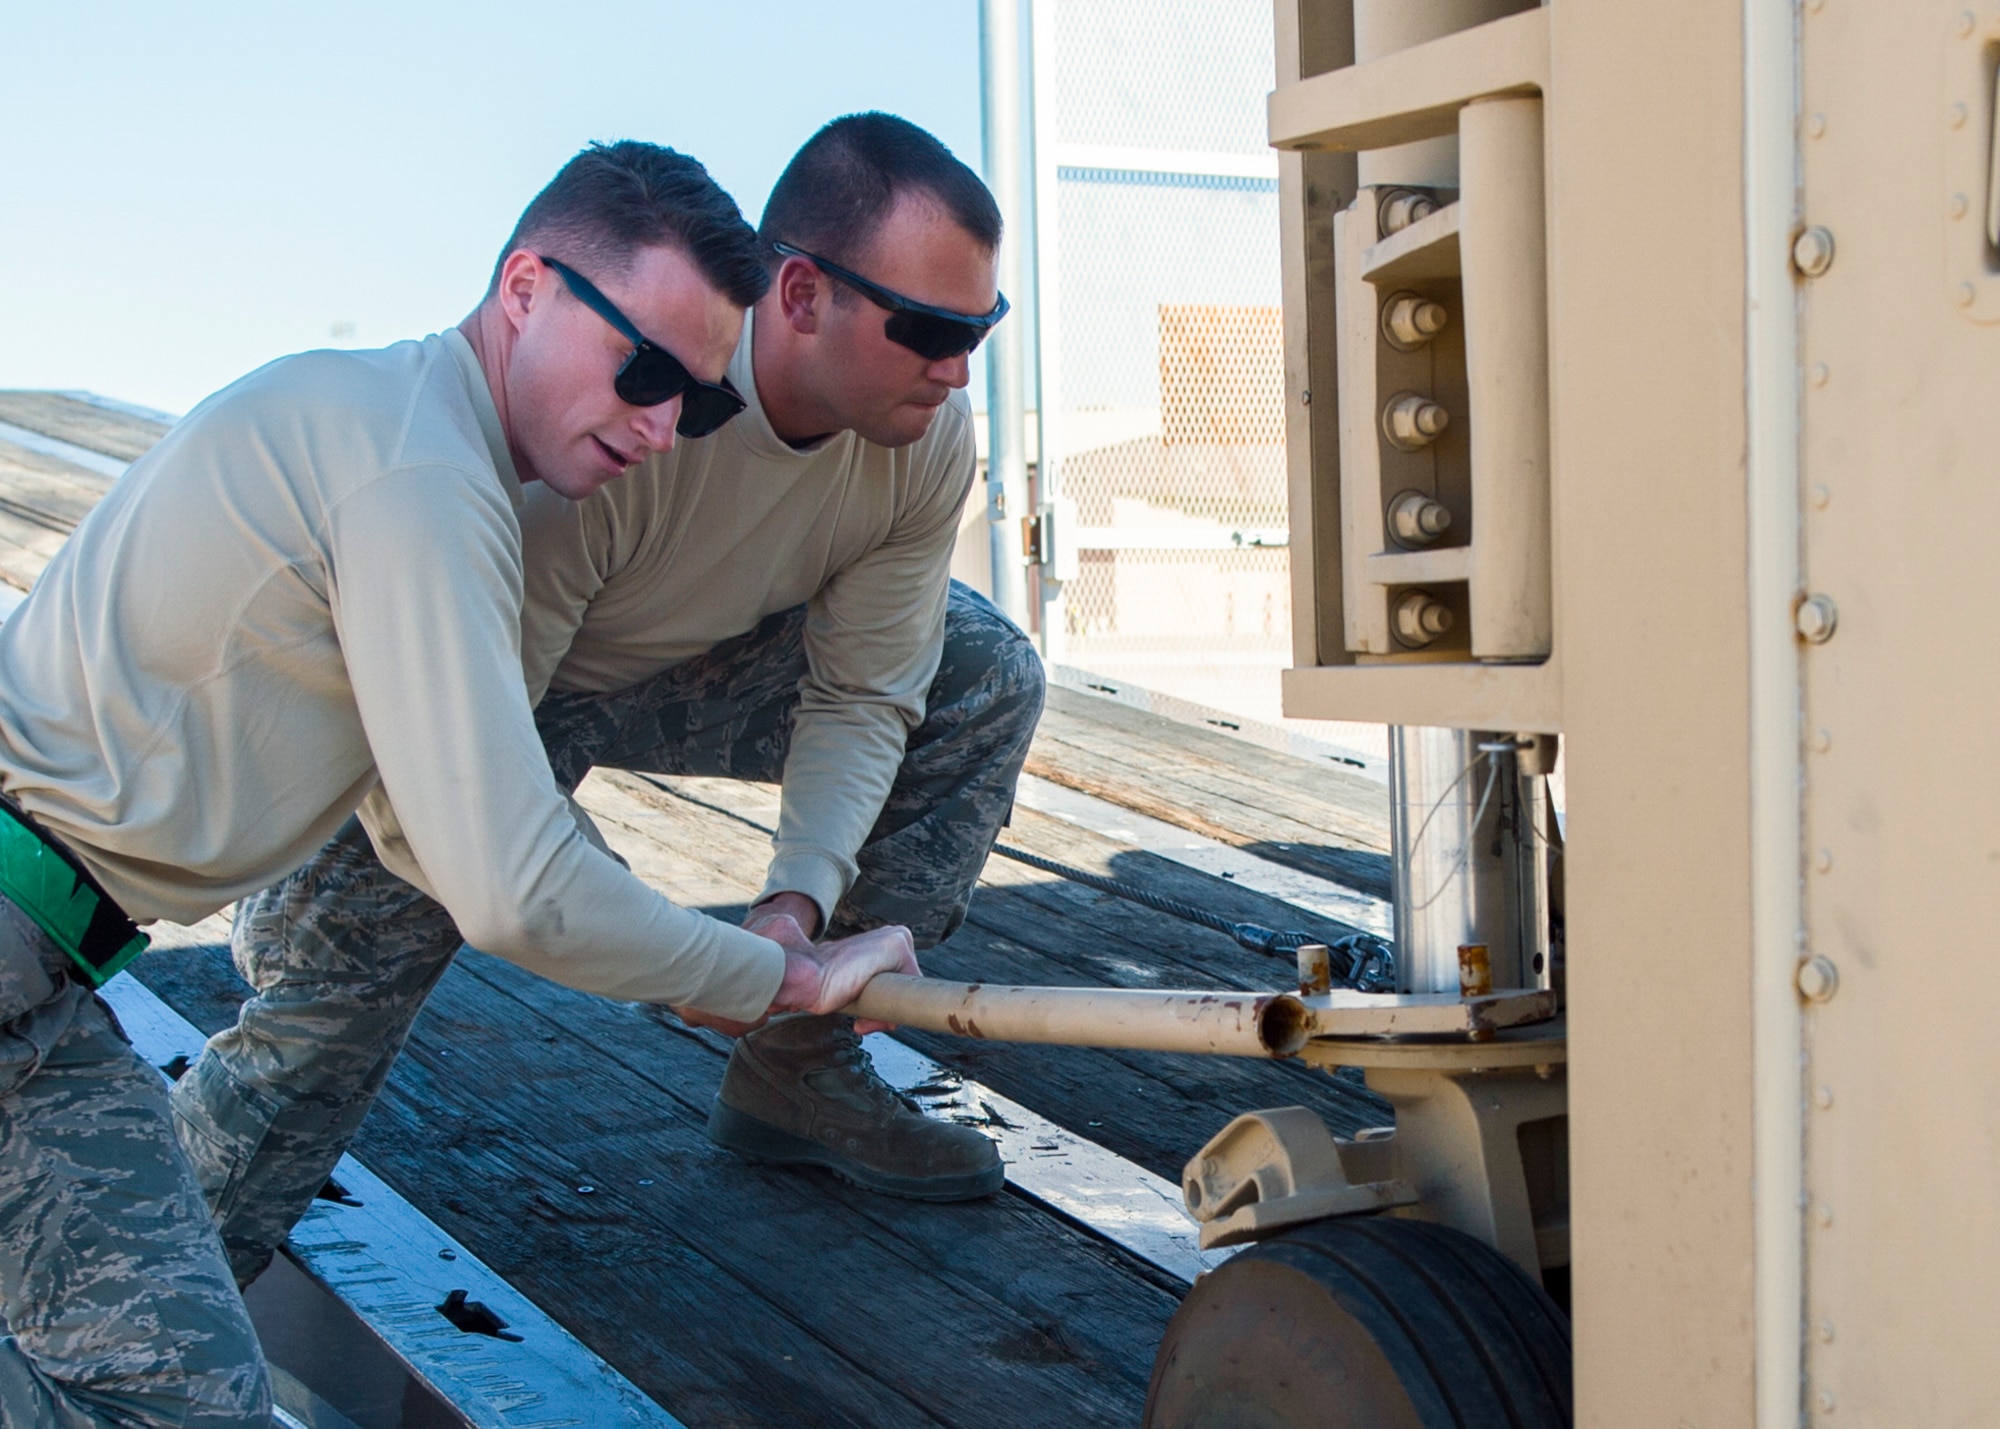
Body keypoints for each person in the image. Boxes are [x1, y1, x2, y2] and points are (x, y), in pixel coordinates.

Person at [0, 139, 918, 1428]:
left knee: (179, 1398)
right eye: (645, 371)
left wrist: (721, 952)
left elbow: (434, 836)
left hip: (48, 988)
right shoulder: (421, 477)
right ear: (527, 288)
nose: (662, 428)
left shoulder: (421, 451)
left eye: (699, 404)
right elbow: (508, 892)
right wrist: (779, 978)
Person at [174, 112, 1047, 1290]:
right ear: (799, 295)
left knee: (979, 672)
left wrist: (793, 911)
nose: (956, 369)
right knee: (326, 1009)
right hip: (475, 671)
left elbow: (865, 688)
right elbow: (471, 818)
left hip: (674, 660)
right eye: (931, 331)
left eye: (979, 331)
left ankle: (800, 1062)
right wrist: (690, 955)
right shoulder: (633, 403)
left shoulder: (926, 439)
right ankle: (123, 1320)